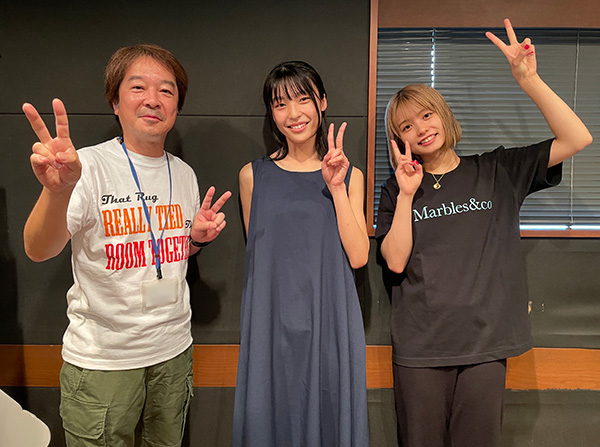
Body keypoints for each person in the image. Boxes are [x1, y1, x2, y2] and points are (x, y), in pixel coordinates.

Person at [376, 19, 593, 447]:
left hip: (485, 344)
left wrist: (529, 80)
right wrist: (406, 194)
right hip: (421, 348)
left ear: (443, 115)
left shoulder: (498, 170)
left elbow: (577, 138)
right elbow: (395, 261)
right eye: (406, 126)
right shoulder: (396, 189)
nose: (420, 128)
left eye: (426, 114)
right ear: (399, 139)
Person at [22, 44, 232, 447]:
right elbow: (38, 249)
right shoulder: (85, 166)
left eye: (166, 90)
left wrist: (194, 239)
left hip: (172, 352)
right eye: (138, 87)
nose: (153, 99)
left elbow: (170, 253)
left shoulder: (183, 174)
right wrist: (57, 192)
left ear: (177, 106)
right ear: (115, 102)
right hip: (103, 361)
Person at [233, 61, 370, 447]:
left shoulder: (351, 175)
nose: (293, 113)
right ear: (272, 113)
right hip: (271, 321)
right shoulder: (252, 176)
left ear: (322, 102)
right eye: (280, 104)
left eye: (303, 99)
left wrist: (337, 188)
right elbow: (260, 256)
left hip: (330, 318)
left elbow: (358, 256)